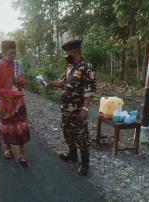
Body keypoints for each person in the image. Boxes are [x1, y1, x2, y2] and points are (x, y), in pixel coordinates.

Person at [46, 39, 96, 176]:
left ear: (74, 52)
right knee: (67, 132)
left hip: (78, 110)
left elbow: (90, 89)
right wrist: (47, 82)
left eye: (67, 52)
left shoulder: (86, 67)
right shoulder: (70, 67)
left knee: (81, 136)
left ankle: (85, 163)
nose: (66, 55)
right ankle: (72, 155)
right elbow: (62, 83)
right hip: (66, 109)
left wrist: (85, 109)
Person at [0, 40, 30, 165]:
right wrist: (11, 93)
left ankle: (22, 152)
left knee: (21, 126)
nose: (14, 55)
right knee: (7, 126)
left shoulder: (18, 64)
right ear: (3, 52)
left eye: (15, 52)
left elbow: (24, 83)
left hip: (18, 102)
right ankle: (7, 149)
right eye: (11, 52)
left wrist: (18, 81)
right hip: (5, 103)